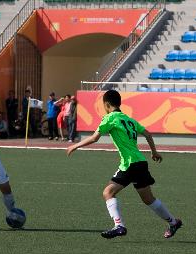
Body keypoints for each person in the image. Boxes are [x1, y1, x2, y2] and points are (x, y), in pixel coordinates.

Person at [66, 90, 182, 239]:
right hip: (141, 162)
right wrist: (154, 152)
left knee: (108, 192)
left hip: (129, 164)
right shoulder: (129, 120)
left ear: (106, 104)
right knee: (148, 199)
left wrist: (75, 146)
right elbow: (147, 134)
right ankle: (173, 222)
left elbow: (95, 138)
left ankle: (119, 225)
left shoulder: (110, 118)